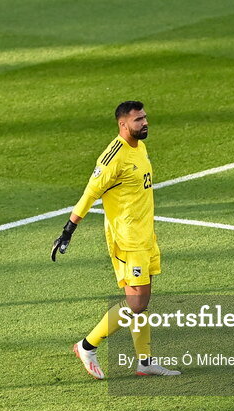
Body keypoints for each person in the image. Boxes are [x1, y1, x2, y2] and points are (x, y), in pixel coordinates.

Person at [52, 100, 180, 379]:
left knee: (142, 301)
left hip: (145, 236)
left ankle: (145, 362)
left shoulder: (140, 147)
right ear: (123, 124)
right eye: (138, 120)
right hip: (126, 239)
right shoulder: (112, 158)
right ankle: (87, 346)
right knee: (135, 303)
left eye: (145, 117)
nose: (145, 123)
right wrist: (68, 230)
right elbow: (89, 194)